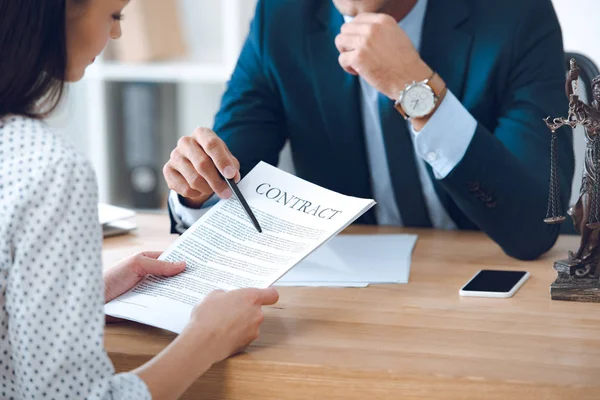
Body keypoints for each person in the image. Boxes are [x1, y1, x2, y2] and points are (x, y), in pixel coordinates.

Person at [0, 0, 279, 399]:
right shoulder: (50, 170)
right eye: (114, 15)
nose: (116, 34)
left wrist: (80, 296)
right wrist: (208, 338)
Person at [164, 0, 575, 261]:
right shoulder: (281, 15)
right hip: (350, 292)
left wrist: (417, 92)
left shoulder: (518, 14)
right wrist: (197, 189)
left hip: (483, 276)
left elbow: (534, 228)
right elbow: (233, 173)